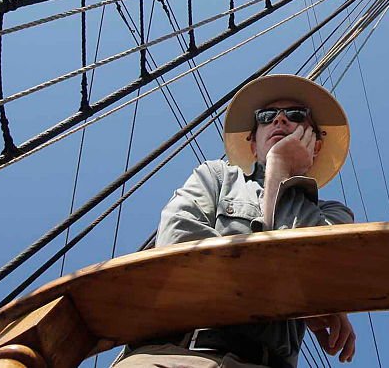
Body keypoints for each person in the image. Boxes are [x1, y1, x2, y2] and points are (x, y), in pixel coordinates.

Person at [114, 74, 356, 368]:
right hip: (171, 356)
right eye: (267, 116)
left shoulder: (333, 215)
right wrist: (293, 294)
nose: (279, 120)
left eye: (295, 115)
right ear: (253, 143)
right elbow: (179, 249)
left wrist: (282, 173)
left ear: (315, 145)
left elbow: (319, 274)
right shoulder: (215, 176)